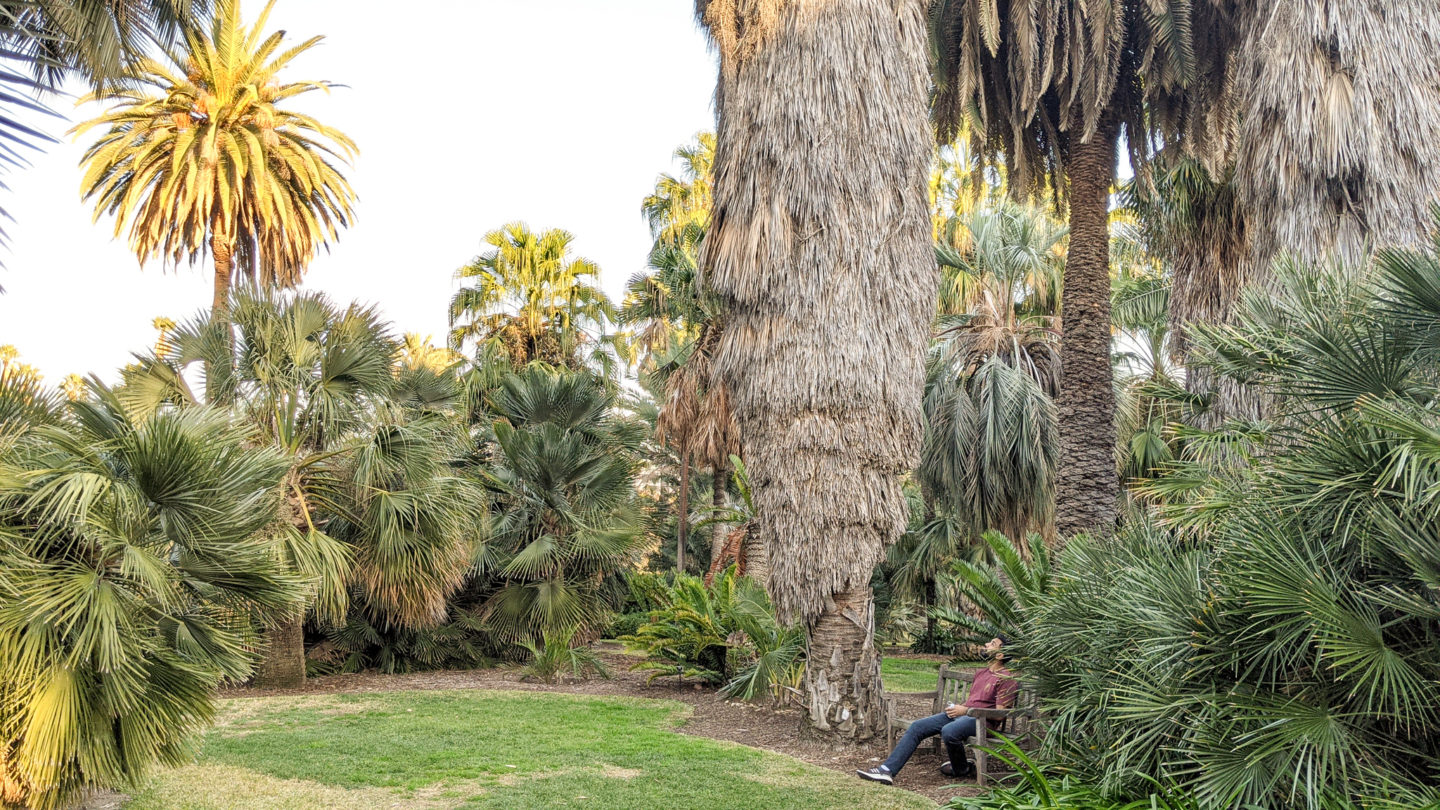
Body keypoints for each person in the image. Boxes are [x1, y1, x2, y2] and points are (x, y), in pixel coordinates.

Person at [856, 635, 1018, 785]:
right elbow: (975, 700)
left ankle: (961, 768)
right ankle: (886, 770)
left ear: (1000, 656)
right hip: (964, 715)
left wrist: (966, 710)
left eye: (992, 644)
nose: (986, 645)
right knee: (917, 727)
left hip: (982, 723)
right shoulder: (982, 673)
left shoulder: (1006, 679)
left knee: (949, 731)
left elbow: (999, 714)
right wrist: (958, 708)